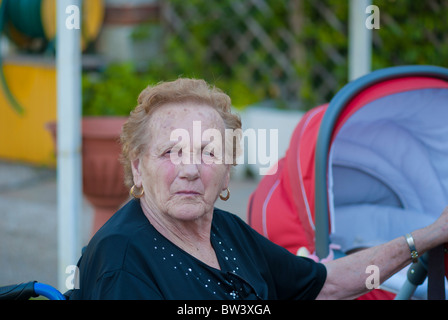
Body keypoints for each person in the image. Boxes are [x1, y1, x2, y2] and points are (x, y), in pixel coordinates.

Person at [70, 78, 448, 300]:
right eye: (172, 152)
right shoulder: (123, 260)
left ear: (228, 172)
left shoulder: (226, 231)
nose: (189, 170)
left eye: (208, 153)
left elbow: (326, 283)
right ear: (138, 167)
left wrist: (425, 237)